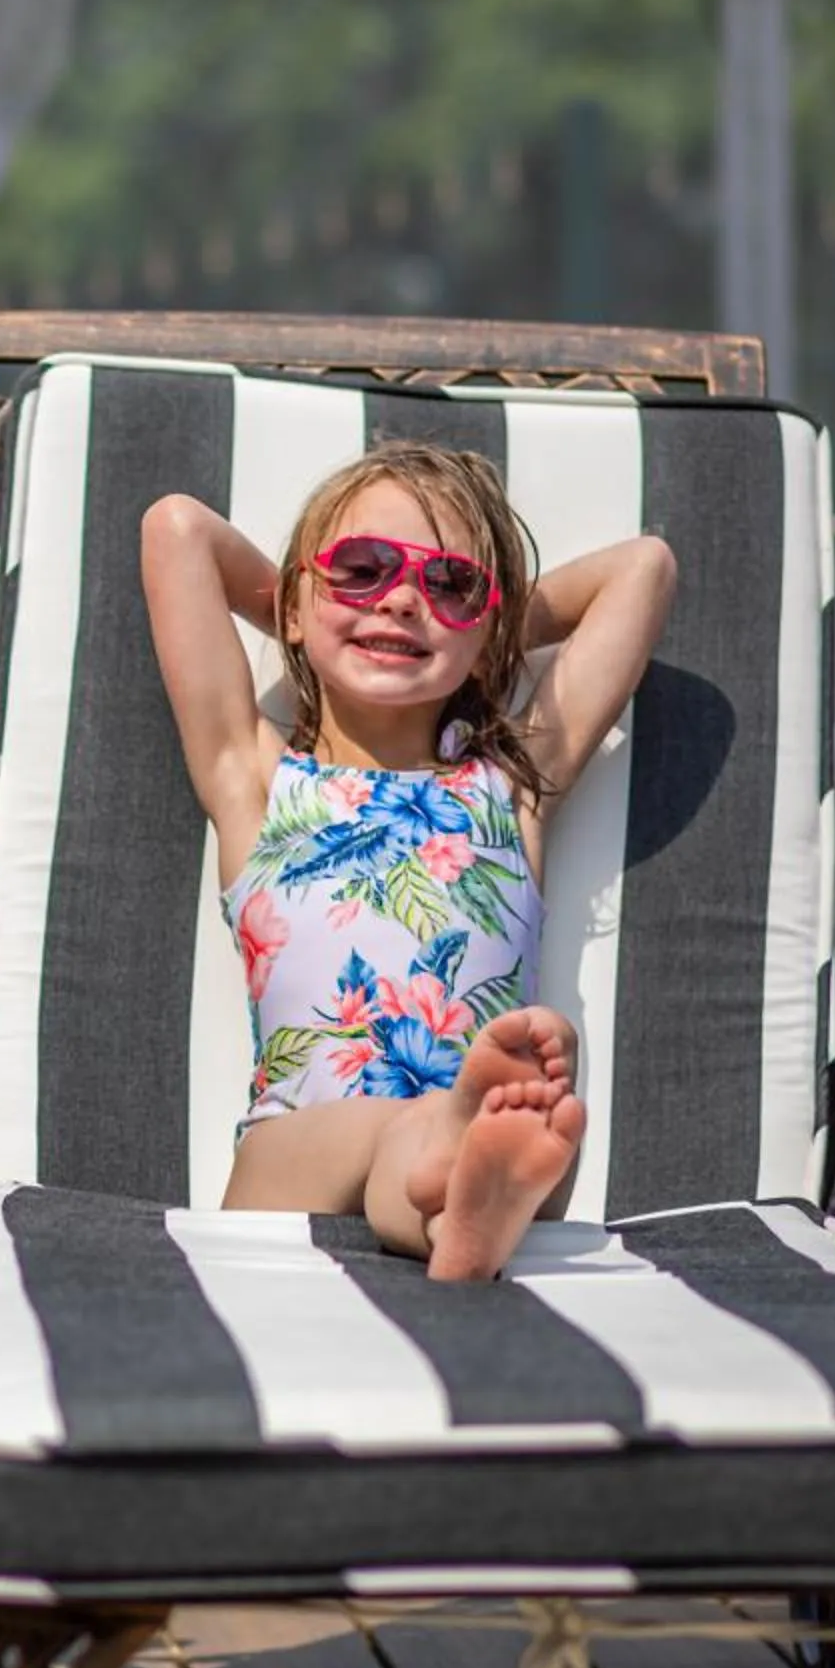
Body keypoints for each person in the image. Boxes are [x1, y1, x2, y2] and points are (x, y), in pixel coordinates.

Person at [140, 441, 674, 1279]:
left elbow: (645, 569)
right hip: (294, 1169)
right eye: (360, 570)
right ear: (291, 606)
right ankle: (459, 1168)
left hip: (470, 1141)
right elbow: (177, 531)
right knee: (435, 1123)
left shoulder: (512, 792)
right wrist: (339, 611)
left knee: (507, 1091)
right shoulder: (255, 778)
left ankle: (463, 1194)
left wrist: (481, 637)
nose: (399, 599)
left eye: (451, 584)